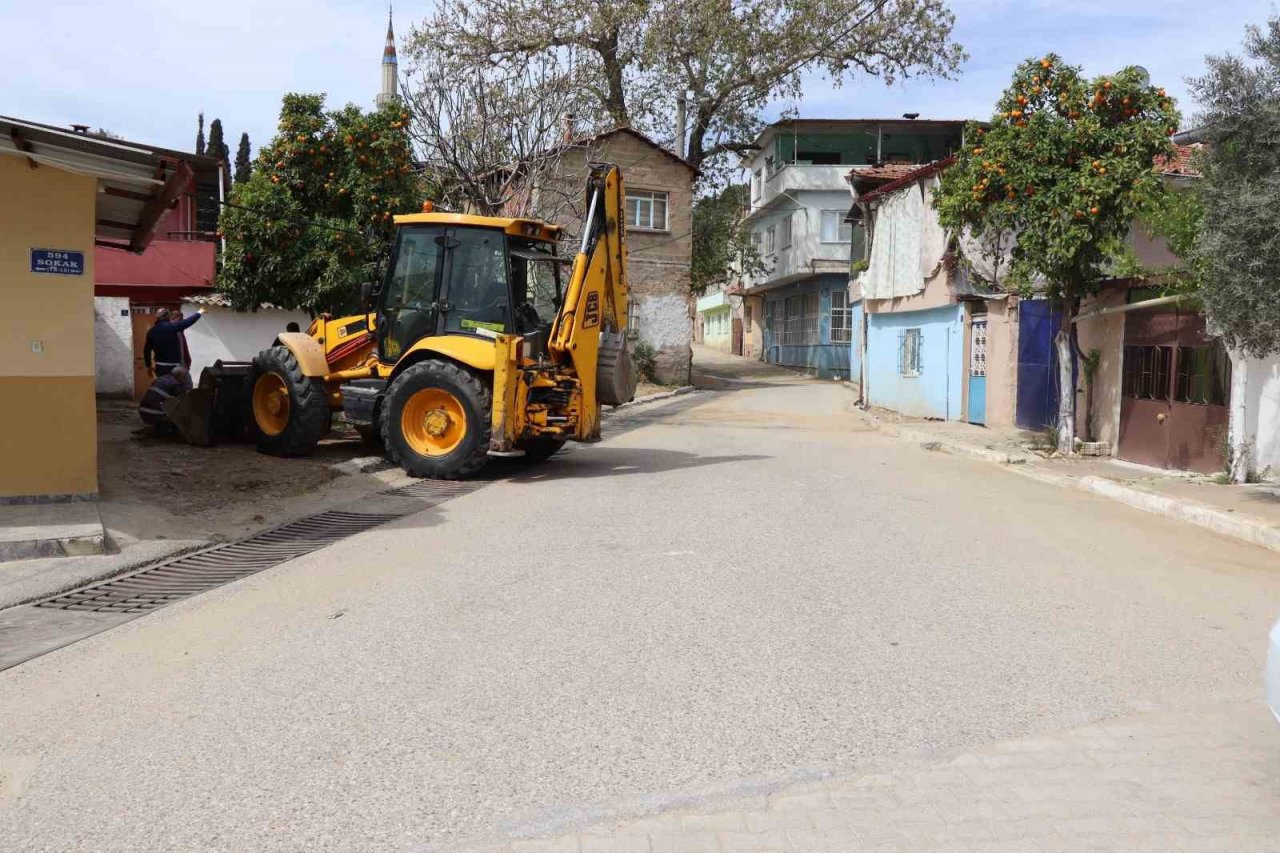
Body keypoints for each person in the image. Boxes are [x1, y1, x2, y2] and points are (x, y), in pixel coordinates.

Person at [144, 307, 204, 377]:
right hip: (174, 368)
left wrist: (149, 366)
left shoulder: (151, 332)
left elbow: (147, 350)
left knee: (162, 383)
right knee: (185, 383)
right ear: (167, 316)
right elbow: (188, 321)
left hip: (160, 367)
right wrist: (199, 312)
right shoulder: (173, 326)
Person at [137, 365, 193, 435]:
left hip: (143, 412)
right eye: (185, 377)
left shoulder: (161, 379)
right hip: (154, 415)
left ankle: (156, 427)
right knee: (178, 420)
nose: (185, 380)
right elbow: (182, 402)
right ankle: (159, 430)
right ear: (179, 375)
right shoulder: (176, 384)